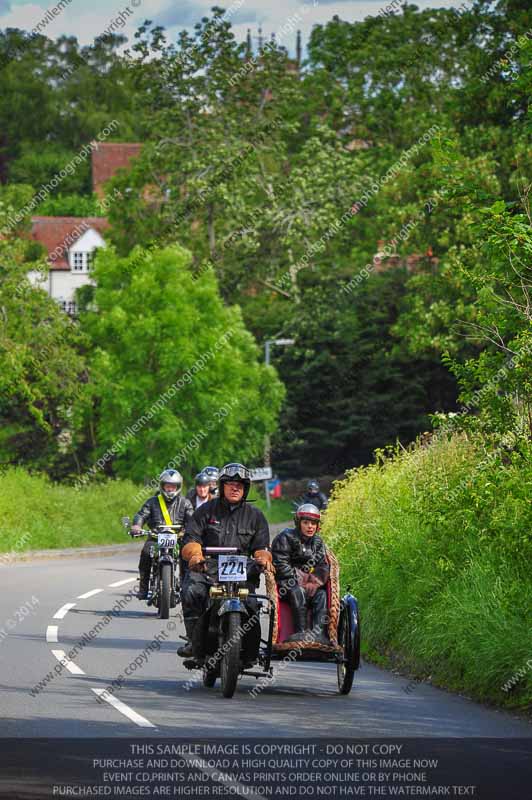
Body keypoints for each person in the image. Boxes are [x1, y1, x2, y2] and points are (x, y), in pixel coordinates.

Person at [177, 462, 273, 658]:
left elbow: (262, 547)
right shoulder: (205, 511)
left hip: (242, 572)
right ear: (222, 486)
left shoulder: (256, 516)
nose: (235, 488)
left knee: (253, 604)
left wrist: (263, 558)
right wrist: (195, 555)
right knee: (192, 591)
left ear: (245, 489)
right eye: (230, 484)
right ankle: (193, 642)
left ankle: (250, 651)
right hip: (208, 569)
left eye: (239, 485)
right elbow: (191, 538)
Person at [271, 503, 330, 645]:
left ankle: (319, 635)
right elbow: (281, 564)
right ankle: (301, 633)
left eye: (313, 523)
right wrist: (299, 580)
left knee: (322, 595)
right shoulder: (285, 537)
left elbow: (323, 566)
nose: (310, 527)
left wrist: (314, 583)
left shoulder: (318, 542)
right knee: (298, 591)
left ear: (317, 526)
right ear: (298, 523)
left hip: (310, 584)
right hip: (287, 585)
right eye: (306, 523)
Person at [131, 469, 193, 599]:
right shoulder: (152, 502)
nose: (170, 489)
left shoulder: (185, 503)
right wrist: (137, 526)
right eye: (167, 486)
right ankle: (143, 588)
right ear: (162, 486)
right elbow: (141, 514)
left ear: (178, 487)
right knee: (146, 554)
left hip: (178, 539)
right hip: (155, 538)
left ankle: (187, 587)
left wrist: (191, 531)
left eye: (173, 486)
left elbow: (192, 519)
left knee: (188, 556)